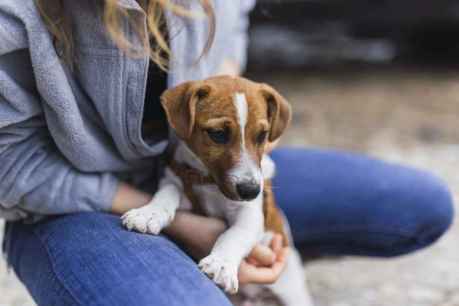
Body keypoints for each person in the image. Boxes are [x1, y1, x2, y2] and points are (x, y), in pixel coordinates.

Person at [0, 1, 454, 305]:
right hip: (73, 206)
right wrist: (181, 225)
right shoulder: (16, 14)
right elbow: (10, 168)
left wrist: (247, 125)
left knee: (419, 205)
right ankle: (173, 264)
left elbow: (231, 36)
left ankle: (255, 254)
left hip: (207, 176)